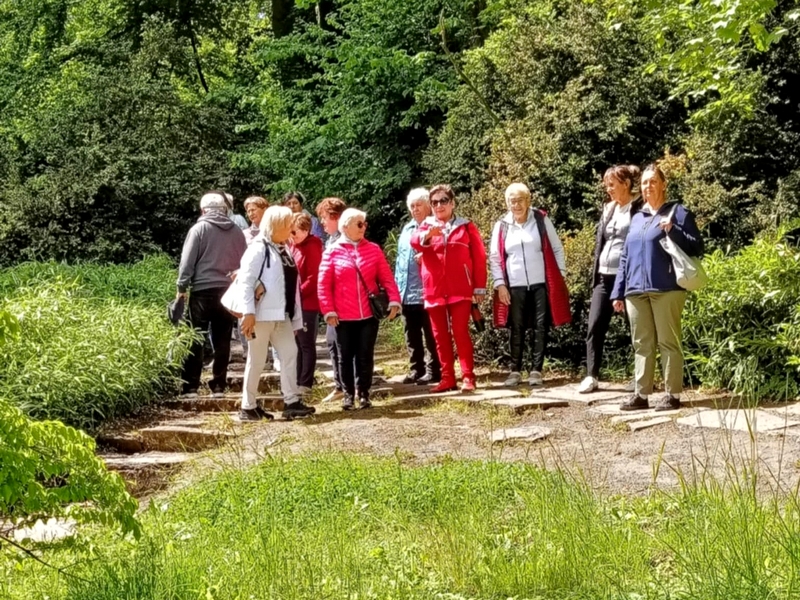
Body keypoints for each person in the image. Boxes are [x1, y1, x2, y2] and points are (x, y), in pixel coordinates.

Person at [611, 164, 704, 411]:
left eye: (653, 181)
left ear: (663, 184)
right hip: (635, 290)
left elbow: (697, 247)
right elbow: (625, 256)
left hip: (667, 288)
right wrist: (618, 291)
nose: (648, 186)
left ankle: (672, 395)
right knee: (641, 343)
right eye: (644, 182)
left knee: (668, 342)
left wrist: (673, 230)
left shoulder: (678, 212)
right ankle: (641, 395)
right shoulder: (637, 217)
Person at [237, 206, 316, 421]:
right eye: (287, 224)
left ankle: (291, 402)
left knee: (290, 353)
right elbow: (246, 282)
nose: (291, 228)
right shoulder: (257, 249)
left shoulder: (283, 248)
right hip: (261, 316)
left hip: (282, 316)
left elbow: (290, 285)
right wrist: (248, 313)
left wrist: (295, 317)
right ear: (276, 226)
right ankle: (248, 406)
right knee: (257, 359)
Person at [317, 208, 401, 410]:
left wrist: (394, 301)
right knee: (344, 357)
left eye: (365, 224)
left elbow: (387, 278)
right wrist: (328, 310)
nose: (364, 227)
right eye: (359, 224)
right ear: (345, 227)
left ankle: (364, 394)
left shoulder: (373, 249)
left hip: (368, 314)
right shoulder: (332, 251)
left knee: (365, 355)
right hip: (342, 316)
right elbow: (323, 285)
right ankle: (348, 395)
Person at [411, 184, 487, 393]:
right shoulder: (426, 226)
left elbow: (479, 258)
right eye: (434, 202)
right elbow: (414, 241)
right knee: (439, 336)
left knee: (460, 332)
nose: (439, 206)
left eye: (443, 201)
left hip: (460, 288)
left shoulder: (466, 227)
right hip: (434, 289)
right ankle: (447, 378)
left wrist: (479, 287)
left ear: (452, 203)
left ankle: (468, 377)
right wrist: (428, 235)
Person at [489, 183, 567, 387]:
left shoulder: (541, 219)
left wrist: (560, 275)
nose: (516, 205)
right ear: (507, 203)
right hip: (514, 285)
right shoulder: (502, 225)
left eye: (520, 200)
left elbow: (557, 248)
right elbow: (495, 257)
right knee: (516, 327)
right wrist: (500, 284)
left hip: (541, 284)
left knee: (541, 326)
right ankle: (514, 371)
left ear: (528, 200)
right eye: (512, 201)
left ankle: (536, 371)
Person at [578, 166, 643, 394]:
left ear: (626, 184)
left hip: (628, 278)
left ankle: (641, 377)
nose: (608, 189)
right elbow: (601, 242)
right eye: (607, 185)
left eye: (612, 184)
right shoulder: (608, 209)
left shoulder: (639, 208)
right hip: (604, 277)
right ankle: (591, 376)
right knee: (595, 325)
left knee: (635, 328)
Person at [176, 191, 247, 397]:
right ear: (224, 209)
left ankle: (191, 386)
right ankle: (218, 385)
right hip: (228, 290)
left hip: (202, 290)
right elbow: (245, 262)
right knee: (223, 338)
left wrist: (181, 287)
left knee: (195, 338)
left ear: (203, 210)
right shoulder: (237, 231)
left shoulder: (198, 229)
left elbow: (187, 261)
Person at [395, 188, 441, 385]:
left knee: (431, 333)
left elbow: (442, 253)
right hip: (407, 292)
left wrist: (428, 257)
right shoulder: (407, 229)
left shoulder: (435, 226)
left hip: (427, 290)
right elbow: (400, 261)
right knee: (411, 333)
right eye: (412, 206)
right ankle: (416, 368)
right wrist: (396, 291)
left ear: (428, 206)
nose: (415, 209)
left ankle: (434, 369)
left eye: (419, 205)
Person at [316, 197, 350, 402]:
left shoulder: (347, 239)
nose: (322, 222)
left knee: (344, 344)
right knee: (332, 342)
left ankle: (349, 386)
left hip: (345, 302)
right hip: (332, 301)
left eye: (324, 217)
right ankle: (340, 386)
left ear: (336, 217)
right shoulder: (329, 240)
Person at [290, 212, 324, 395]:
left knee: (306, 343)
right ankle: (297, 380)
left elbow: (314, 277)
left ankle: (305, 382)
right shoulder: (294, 245)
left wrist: (297, 294)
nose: (291, 236)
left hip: (307, 303)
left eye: (294, 232)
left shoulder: (313, 245)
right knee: (296, 343)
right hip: (296, 302)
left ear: (305, 230)